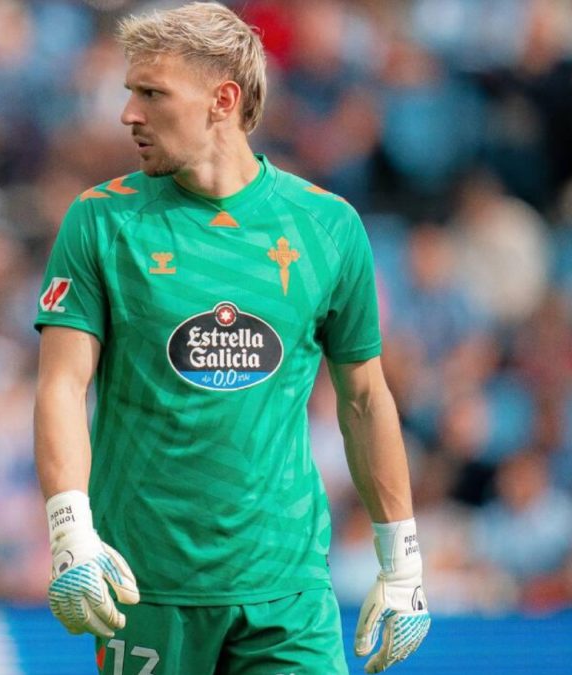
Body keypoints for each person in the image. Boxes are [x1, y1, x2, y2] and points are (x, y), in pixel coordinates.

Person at [33, 3, 429, 673]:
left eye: (151, 93)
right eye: (130, 91)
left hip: (287, 590)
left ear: (223, 100)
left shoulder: (327, 227)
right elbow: (61, 385)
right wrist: (70, 528)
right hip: (146, 584)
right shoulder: (101, 220)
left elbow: (364, 397)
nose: (127, 112)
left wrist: (403, 559)